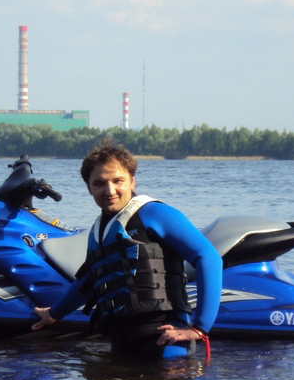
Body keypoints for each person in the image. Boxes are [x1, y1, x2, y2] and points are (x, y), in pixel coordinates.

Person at [32, 140, 222, 359]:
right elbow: (90, 280)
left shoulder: (155, 213)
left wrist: (200, 328)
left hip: (165, 337)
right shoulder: (99, 230)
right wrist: (54, 313)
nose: (109, 190)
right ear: (89, 188)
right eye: (99, 183)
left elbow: (208, 257)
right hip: (122, 339)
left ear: (132, 182)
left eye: (118, 181)